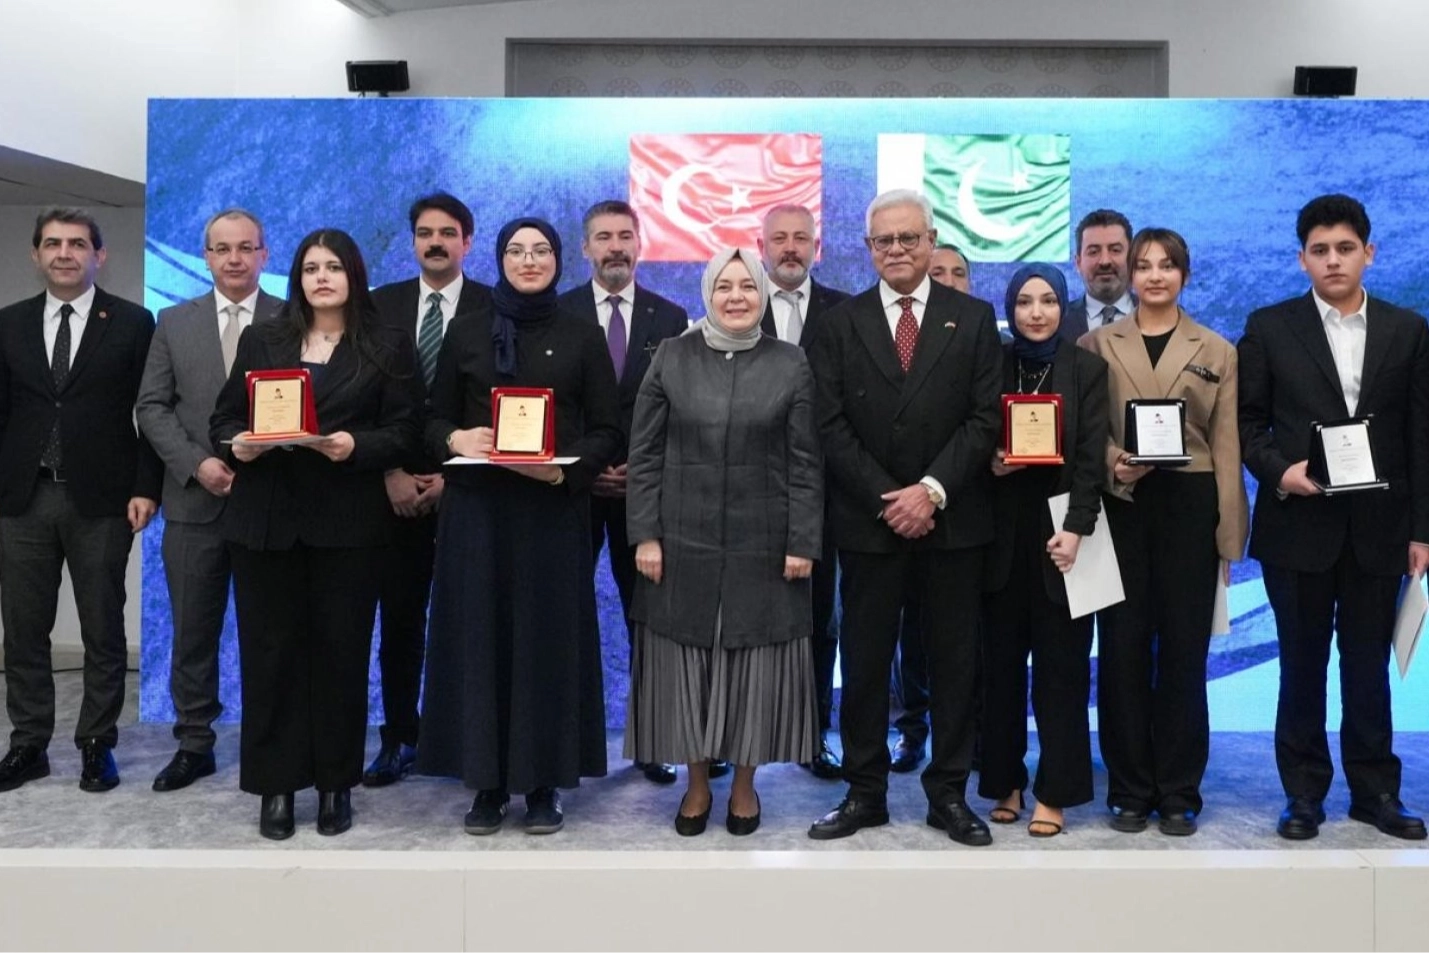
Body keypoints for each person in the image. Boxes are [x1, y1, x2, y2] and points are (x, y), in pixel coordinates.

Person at [806, 189, 1002, 845]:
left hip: (952, 518)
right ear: (868, 248)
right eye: (883, 240)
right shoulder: (839, 322)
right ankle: (865, 792)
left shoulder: (973, 318)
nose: (896, 249)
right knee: (863, 663)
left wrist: (931, 491)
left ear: (930, 240)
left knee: (953, 663)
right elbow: (829, 424)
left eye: (908, 237)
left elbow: (984, 418)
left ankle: (948, 794)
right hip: (871, 521)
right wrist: (891, 497)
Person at [210, 229, 418, 839]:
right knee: (269, 656)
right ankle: (275, 787)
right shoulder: (264, 338)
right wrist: (237, 444)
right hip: (266, 521)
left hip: (348, 523)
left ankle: (334, 785)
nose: (321, 278)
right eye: (310, 268)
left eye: (333, 267)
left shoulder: (387, 344)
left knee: (341, 656)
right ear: (297, 278)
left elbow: (406, 431)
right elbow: (225, 416)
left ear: (354, 274)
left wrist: (356, 445)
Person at [417, 217, 621, 836]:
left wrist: (564, 471)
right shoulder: (467, 330)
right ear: (500, 259)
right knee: (480, 641)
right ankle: (486, 784)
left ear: (558, 260)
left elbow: (608, 429)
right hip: (477, 515)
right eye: (515, 250)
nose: (528, 260)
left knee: (546, 645)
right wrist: (456, 438)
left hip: (551, 516)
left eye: (540, 251)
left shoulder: (582, 334)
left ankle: (542, 785)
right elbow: (431, 421)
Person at [1239, 194, 1429, 841]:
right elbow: (1246, 423)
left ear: (1368, 253)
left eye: (1345, 248)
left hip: (1381, 526)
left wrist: (1422, 531)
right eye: (1319, 250)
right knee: (1300, 664)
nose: (1333, 260)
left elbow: (1420, 434)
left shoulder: (1407, 329)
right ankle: (1303, 793)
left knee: (1367, 665)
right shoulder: (1269, 326)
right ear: (1302, 259)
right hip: (1298, 523)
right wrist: (1278, 471)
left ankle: (1376, 791)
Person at [625, 246, 822, 836]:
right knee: (687, 671)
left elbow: (806, 463)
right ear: (707, 294)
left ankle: (742, 787)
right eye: (724, 287)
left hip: (765, 545)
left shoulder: (790, 362)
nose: (736, 297)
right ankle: (694, 787)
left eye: (747, 286)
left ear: (763, 294)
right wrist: (645, 535)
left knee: (752, 674)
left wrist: (803, 542)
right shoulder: (671, 357)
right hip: (681, 544)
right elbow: (644, 455)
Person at [1078, 227, 1247, 837]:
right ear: (1131, 276)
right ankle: (1128, 788)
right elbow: (1085, 429)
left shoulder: (1217, 349)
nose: (1154, 275)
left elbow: (1226, 447)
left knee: (1183, 652)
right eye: (1144, 265)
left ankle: (1178, 791)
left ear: (1184, 275)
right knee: (1122, 650)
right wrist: (1112, 463)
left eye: (1167, 265)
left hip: (1189, 505)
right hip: (1121, 504)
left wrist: (1229, 539)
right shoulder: (1096, 343)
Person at [0, 207, 162, 794]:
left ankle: (97, 743)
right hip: (22, 499)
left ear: (100, 255)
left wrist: (147, 486)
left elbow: (151, 411)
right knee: (23, 629)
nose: (64, 253)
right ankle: (28, 744)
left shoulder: (134, 322)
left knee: (102, 627)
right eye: (52, 244)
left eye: (77, 244)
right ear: (36, 255)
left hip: (104, 500)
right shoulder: (9, 323)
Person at [137, 207, 284, 793]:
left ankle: (272, 743)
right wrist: (197, 464)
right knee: (193, 632)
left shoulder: (291, 319)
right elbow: (152, 406)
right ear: (206, 257)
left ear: (264, 254)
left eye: (246, 247)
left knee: (271, 633)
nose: (234, 259)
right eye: (222, 249)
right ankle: (194, 742)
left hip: (271, 505)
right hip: (194, 504)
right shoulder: (173, 322)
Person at [558, 199, 689, 787]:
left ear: (640, 244)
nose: (615, 246)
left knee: (650, 621)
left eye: (625, 236)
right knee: (565, 615)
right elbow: (552, 405)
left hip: (647, 491)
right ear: (585, 247)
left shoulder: (671, 316)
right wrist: (587, 466)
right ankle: (567, 740)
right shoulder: (558, 314)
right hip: (572, 492)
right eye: (604, 237)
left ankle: (652, 740)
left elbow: (682, 407)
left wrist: (646, 467)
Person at [365, 192, 493, 788]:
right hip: (392, 492)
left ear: (468, 241)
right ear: (413, 241)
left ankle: (468, 738)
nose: (435, 242)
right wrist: (389, 472)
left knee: (472, 621)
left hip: (471, 489)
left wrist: (454, 476)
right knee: (399, 621)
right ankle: (399, 735)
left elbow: (498, 403)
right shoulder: (379, 306)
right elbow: (362, 398)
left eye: (447, 233)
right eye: (424, 233)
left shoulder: (495, 306)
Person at [979, 264, 1108, 837]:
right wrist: (990, 461)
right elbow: (973, 433)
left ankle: (1055, 792)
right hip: (1001, 538)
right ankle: (1004, 781)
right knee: (1000, 672)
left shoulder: (1087, 369)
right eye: (1025, 301)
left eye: (1049, 300)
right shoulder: (993, 363)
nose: (1037, 312)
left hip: (1064, 541)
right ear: (1010, 308)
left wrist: (1077, 527)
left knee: (1062, 674)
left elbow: (1091, 457)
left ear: (1063, 306)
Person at [756, 202, 850, 781]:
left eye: (801, 238)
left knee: (821, 617)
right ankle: (732, 734)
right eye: (779, 238)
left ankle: (814, 735)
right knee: (742, 613)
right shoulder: (737, 303)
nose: (790, 247)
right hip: (750, 490)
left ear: (818, 246)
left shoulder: (846, 311)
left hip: (828, 490)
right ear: (760, 246)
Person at [1060, 209, 1134, 341]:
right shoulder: (1058, 322)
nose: (1105, 261)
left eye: (1115, 250)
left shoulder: (1159, 317)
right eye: (1093, 252)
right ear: (1078, 263)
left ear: (1132, 257)